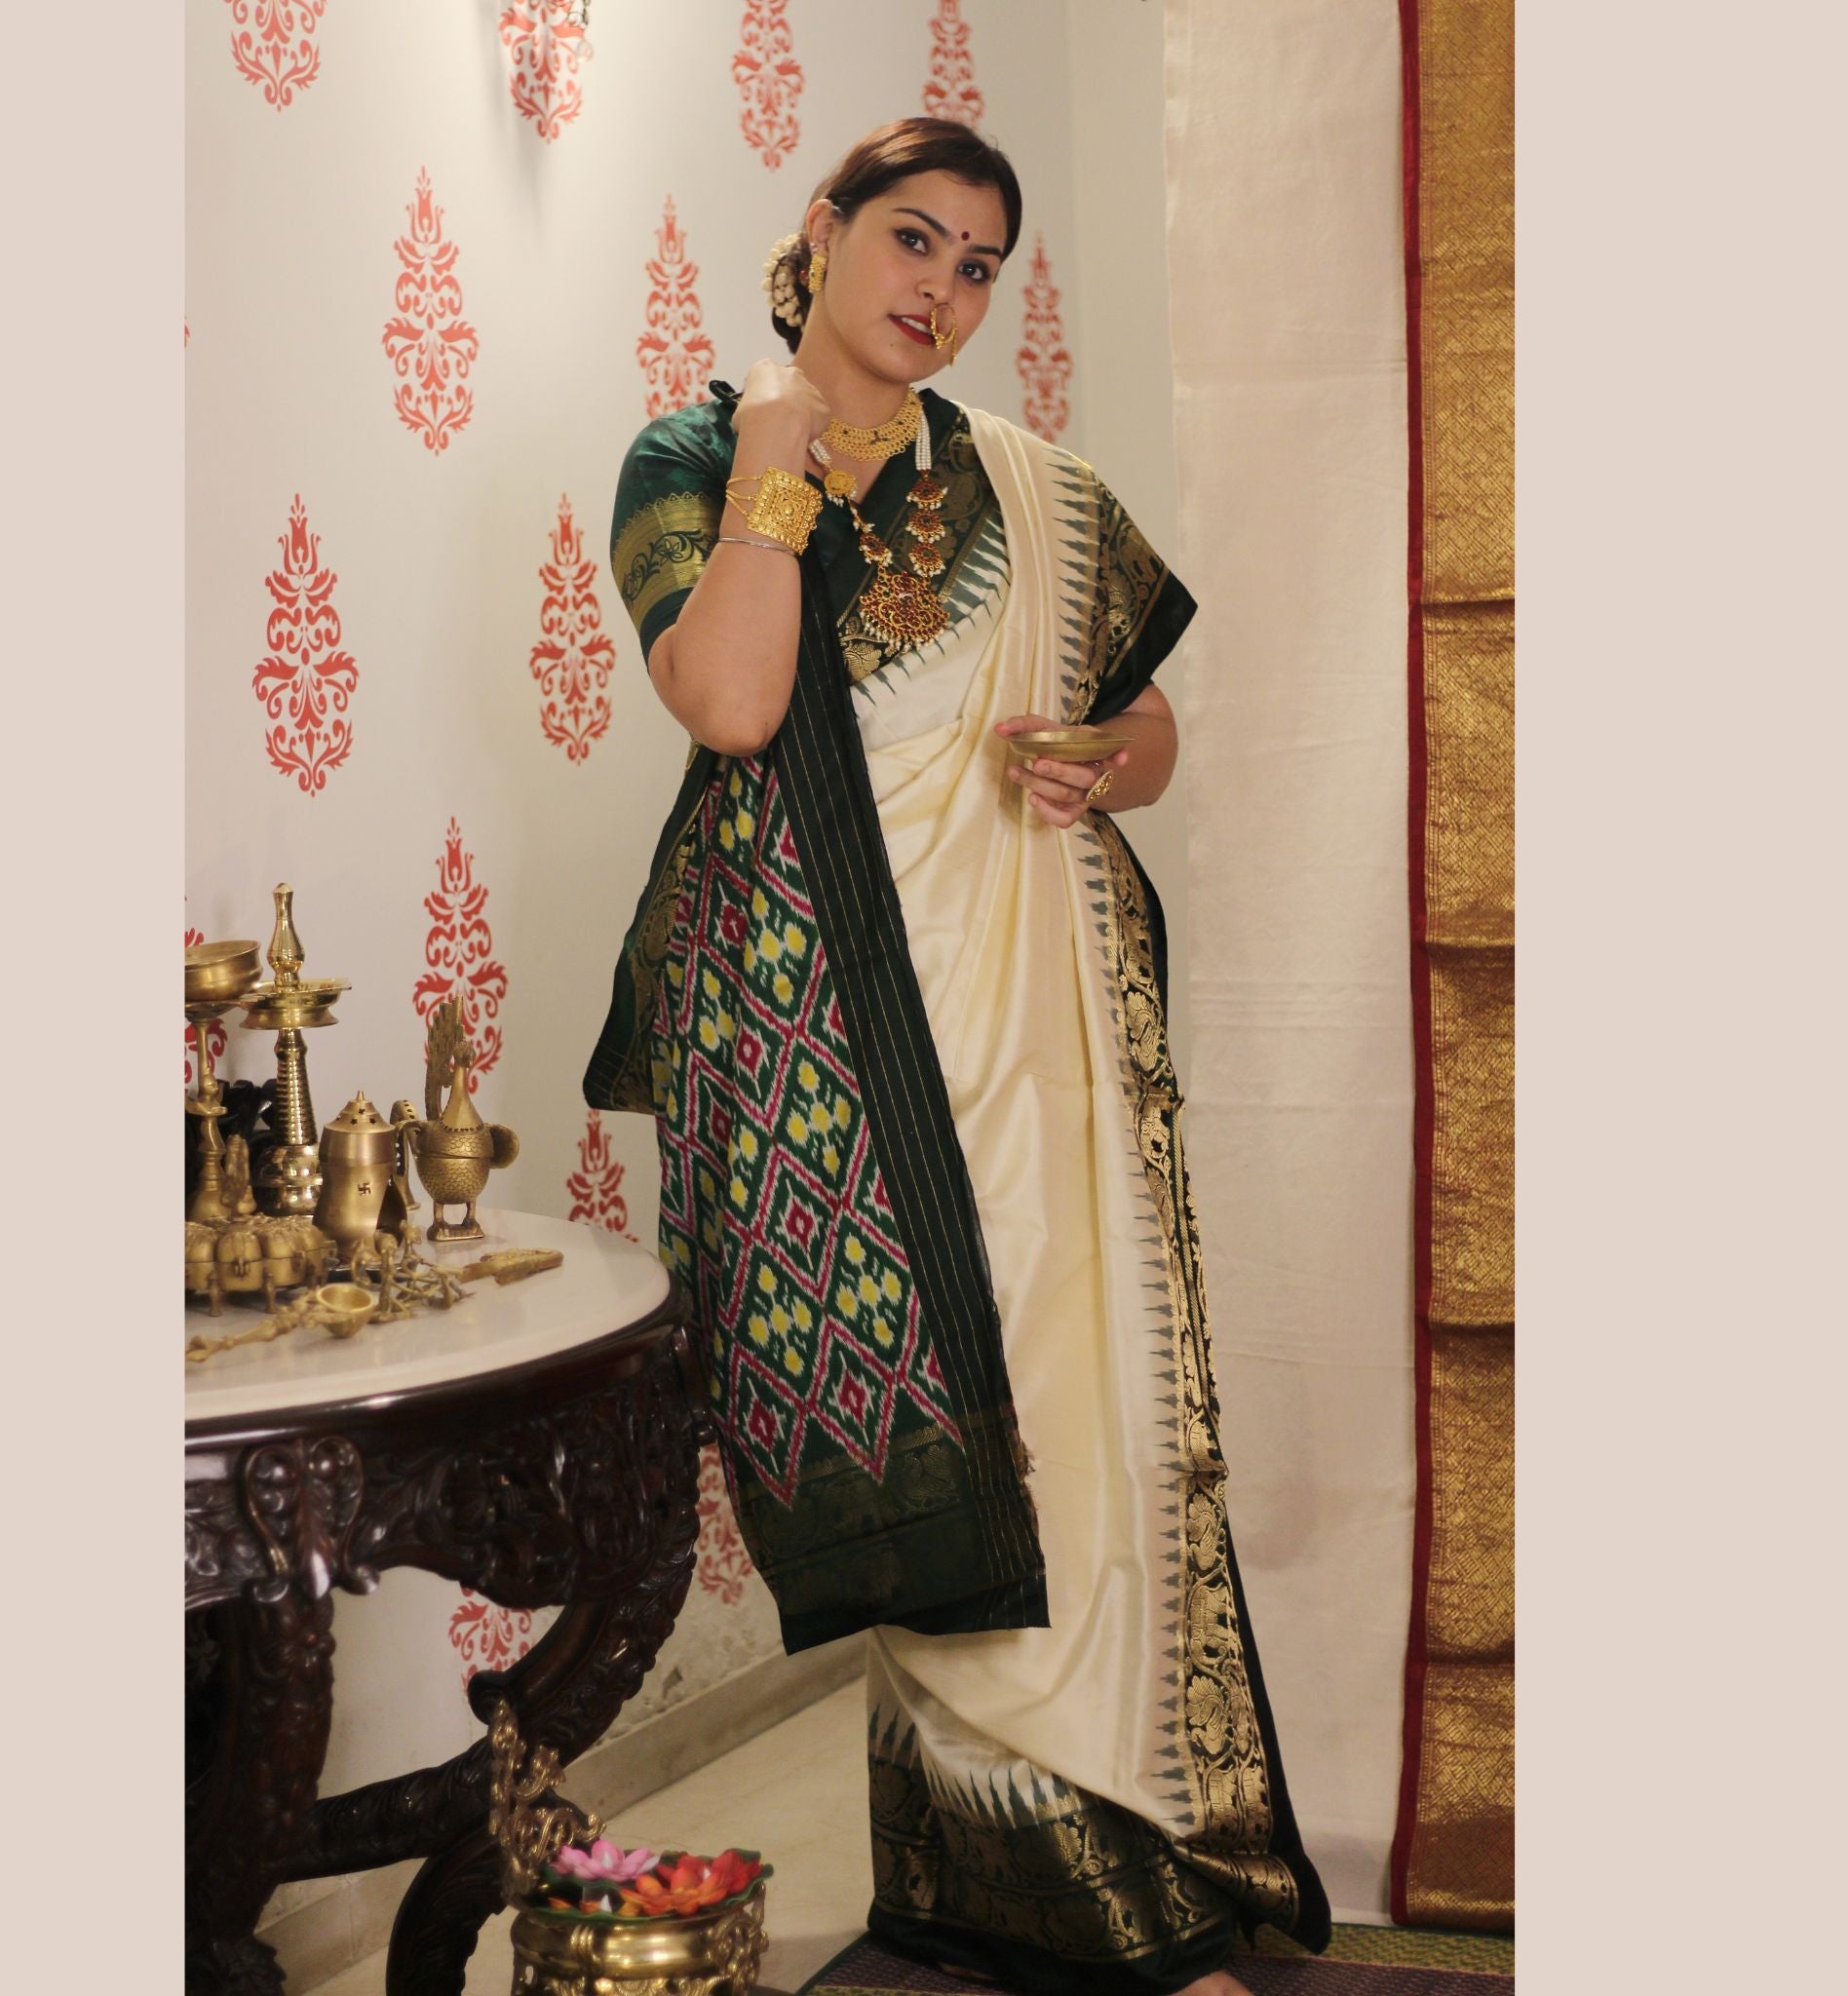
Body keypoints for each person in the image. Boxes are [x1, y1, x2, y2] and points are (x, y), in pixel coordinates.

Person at [587, 117, 1329, 1996]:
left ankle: (1041, 1861)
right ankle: (1071, 1900)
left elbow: (1146, 725)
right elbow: (735, 700)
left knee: (1082, 1426)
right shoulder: (687, 457)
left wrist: (1106, 763)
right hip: (829, 1043)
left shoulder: (1034, 489)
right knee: (953, 1428)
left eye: (981, 265)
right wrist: (773, 463)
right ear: (824, 234)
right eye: (913, 241)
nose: (943, 291)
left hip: (1033, 1018)